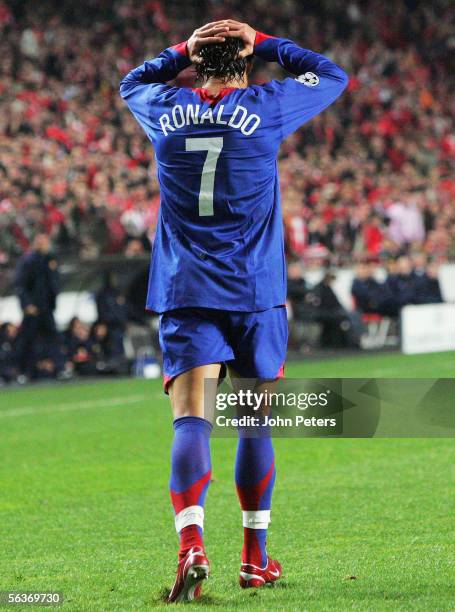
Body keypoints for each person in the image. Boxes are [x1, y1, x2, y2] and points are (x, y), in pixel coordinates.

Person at [120, 19, 348, 602]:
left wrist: (178, 50)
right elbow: (331, 74)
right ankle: (254, 558)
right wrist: (267, 41)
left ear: (196, 65)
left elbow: (131, 81)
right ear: (245, 65)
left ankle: (191, 543)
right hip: (254, 290)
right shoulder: (265, 106)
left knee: (192, 418)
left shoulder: (164, 108)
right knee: (254, 420)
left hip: (186, 289)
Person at [14, 233, 61, 377]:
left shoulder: (50, 259)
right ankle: (24, 371)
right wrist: (27, 304)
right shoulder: (28, 261)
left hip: (47, 307)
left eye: (45, 241)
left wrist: (53, 301)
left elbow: (54, 282)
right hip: (33, 307)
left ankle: (56, 368)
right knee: (28, 339)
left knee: (52, 338)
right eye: (40, 242)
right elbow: (20, 285)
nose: (43, 245)